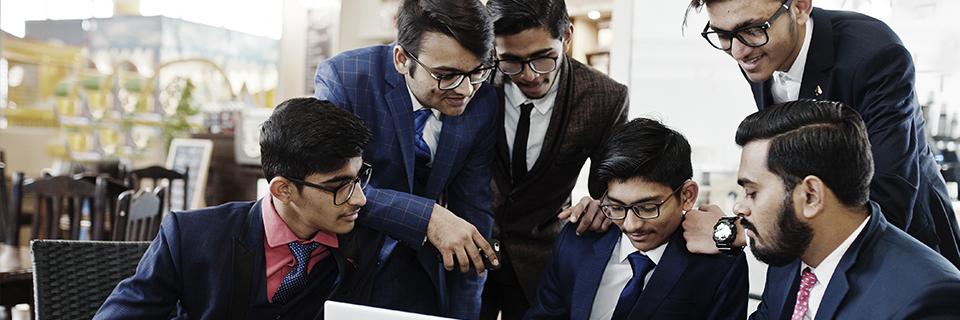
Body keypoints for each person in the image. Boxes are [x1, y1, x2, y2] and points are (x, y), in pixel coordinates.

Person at [682, 0, 960, 269]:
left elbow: (888, 196)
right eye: (723, 35)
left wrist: (736, 233)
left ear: (800, 6)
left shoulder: (874, 54)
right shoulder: (759, 51)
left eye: (753, 30)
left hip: (902, 243)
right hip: (813, 247)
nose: (739, 52)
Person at [95, 98, 374, 319]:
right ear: (283, 190)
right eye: (339, 185)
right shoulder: (190, 235)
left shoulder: (365, 245)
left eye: (358, 178)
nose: (359, 198)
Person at [313, 0, 499, 317]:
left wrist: (465, 313)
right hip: (341, 264)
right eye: (446, 75)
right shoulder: (345, 78)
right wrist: (427, 217)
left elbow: (473, 214)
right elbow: (327, 187)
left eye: (477, 71)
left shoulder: (483, 102)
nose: (465, 89)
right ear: (402, 59)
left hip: (421, 277)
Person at [734, 100, 960, 319]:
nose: (739, 207)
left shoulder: (925, 298)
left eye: (752, 193)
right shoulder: (791, 253)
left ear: (811, 196)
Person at [481, 0, 630, 318]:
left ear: (566, 36)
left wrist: (602, 203)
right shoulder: (475, 80)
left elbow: (609, 187)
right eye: (511, 62)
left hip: (541, 261)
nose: (530, 76)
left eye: (543, 59)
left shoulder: (606, 98)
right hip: (470, 251)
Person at [526, 118, 748, 320]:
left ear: (687, 195)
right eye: (616, 207)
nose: (632, 225)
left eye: (648, 207)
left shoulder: (719, 266)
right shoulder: (577, 241)